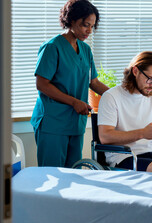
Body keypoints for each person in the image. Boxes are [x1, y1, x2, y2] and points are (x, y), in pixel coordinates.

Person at [31, 0, 109, 167]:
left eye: (92, 26)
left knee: (74, 174)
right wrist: (74, 102)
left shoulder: (85, 50)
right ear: (72, 20)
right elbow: (42, 84)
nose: (89, 31)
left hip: (75, 123)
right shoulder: (52, 47)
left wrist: (119, 95)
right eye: (85, 25)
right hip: (53, 122)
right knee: (52, 174)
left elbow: (93, 82)